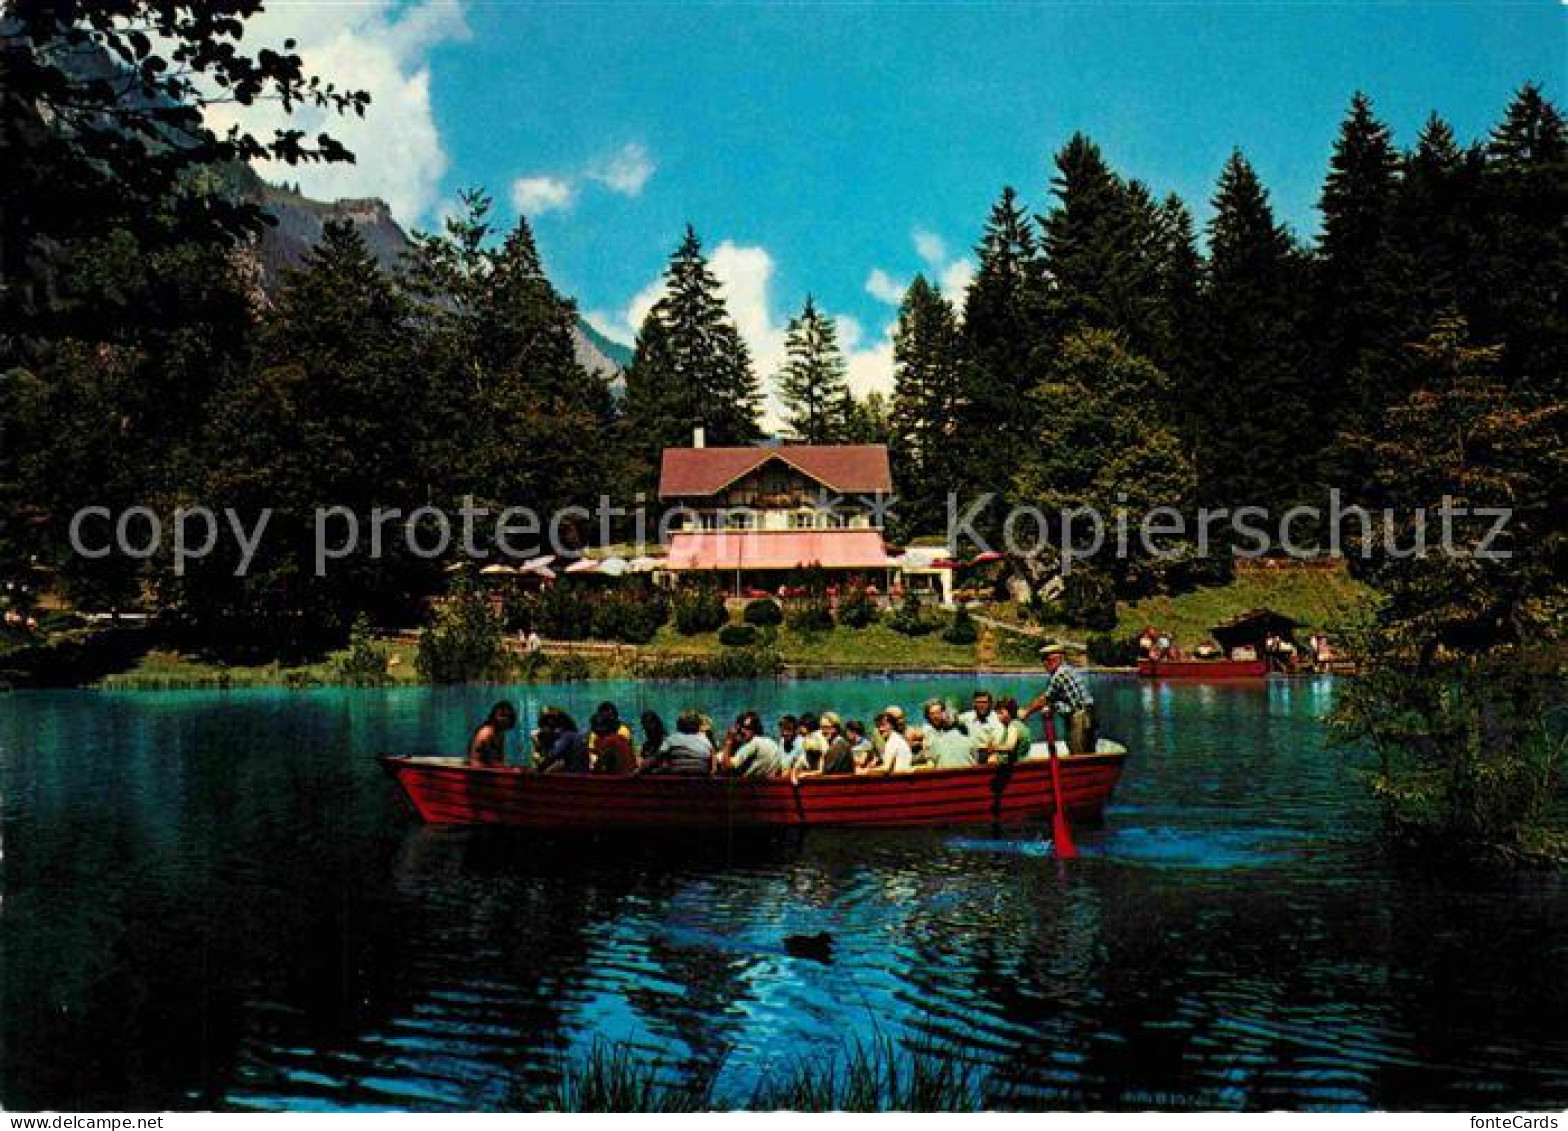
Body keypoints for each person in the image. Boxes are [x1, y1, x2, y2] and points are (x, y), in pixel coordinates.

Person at [1022, 644, 1098, 755]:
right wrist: (1052, 707)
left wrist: (1026, 712)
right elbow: (1059, 698)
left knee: (1078, 753)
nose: (1045, 663)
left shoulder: (1060, 674)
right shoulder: (1069, 670)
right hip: (1088, 715)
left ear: (1059, 659)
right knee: (1088, 752)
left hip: (1079, 718)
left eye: (1048, 660)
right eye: (1043, 660)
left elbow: (1045, 698)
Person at [640, 708, 715, 775]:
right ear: (698, 726)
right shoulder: (705, 740)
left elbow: (656, 758)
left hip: (677, 776)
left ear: (679, 726)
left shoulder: (671, 739)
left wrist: (639, 769)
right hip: (701, 776)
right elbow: (712, 762)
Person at [724, 710, 789, 777]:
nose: (743, 730)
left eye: (747, 728)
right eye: (741, 727)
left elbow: (727, 767)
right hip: (768, 780)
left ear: (755, 729)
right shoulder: (771, 741)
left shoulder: (752, 744)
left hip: (751, 784)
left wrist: (728, 742)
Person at [796, 712, 855, 781]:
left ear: (835, 728)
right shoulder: (833, 743)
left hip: (839, 784)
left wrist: (807, 773)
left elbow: (825, 770)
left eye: (827, 727)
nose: (823, 731)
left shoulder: (839, 746)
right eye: (821, 728)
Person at [922, 698, 978, 769]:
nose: (935, 716)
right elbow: (930, 760)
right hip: (946, 776)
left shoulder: (965, 730)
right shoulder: (929, 735)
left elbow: (975, 755)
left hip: (968, 774)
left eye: (938, 712)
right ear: (928, 717)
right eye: (932, 714)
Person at [535, 707, 590, 773]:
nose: (541, 731)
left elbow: (553, 756)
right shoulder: (569, 735)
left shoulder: (566, 736)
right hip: (575, 772)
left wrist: (539, 770)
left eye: (542, 728)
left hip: (574, 774)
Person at [958, 689, 1005, 759]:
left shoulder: (996, 720)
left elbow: (994, 746)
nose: (981, 705)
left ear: (989, 704)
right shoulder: (968, 716)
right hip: (969, 754)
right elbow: (954, 720)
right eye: (978, 702)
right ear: (973, 703)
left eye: (984, 702)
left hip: (988, 755)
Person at [467, 701, 517, 766]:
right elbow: (474, 759)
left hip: (491, 768)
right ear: (494, 716)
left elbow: (500, 759)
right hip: (480, 770)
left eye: (507, 717)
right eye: (502, 716)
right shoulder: (486, 733)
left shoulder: (500, 735)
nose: (504, 719)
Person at [590, 707, 637, 774]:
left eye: (594, 726)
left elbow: (599, 766)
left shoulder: (609, 741)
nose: (593, 729)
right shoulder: (621, 738)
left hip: (619, 779)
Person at [865, 709, 914, 774]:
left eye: (883, 725)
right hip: (900, 777)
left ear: (892, 725)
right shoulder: (895, 738)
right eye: (878, 726)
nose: (880, 729)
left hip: (899, 779)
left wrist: (867, 771)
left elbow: (886, 768)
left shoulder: (893, 741)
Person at [990, 696, 1030, 765]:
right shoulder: (1020, 725)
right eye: (997, 713)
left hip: (1017, 767)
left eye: (1001, 713)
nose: (998, 717)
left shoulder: (1013, 725)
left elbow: (1010, 746)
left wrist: (993, 748)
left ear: (1010, 712)